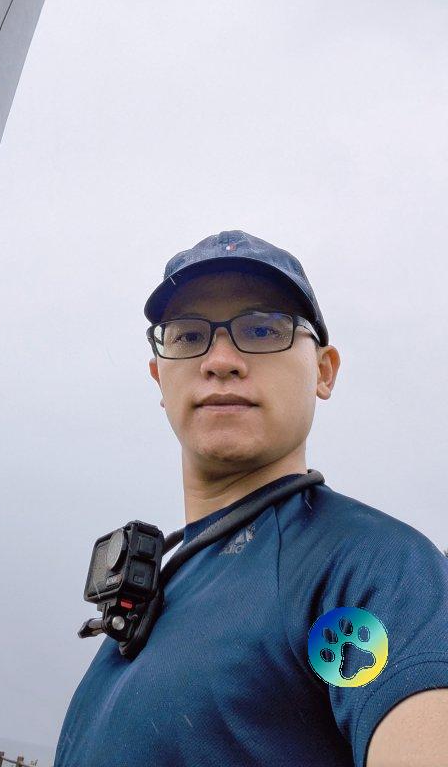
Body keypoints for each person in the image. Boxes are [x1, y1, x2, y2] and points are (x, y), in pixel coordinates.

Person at [54, 230, 448, 767]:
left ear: (324, 371)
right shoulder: (157, 592)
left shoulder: (360, 572)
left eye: (262, 330)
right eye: (189, 335)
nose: (220, 360)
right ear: (158, 377)